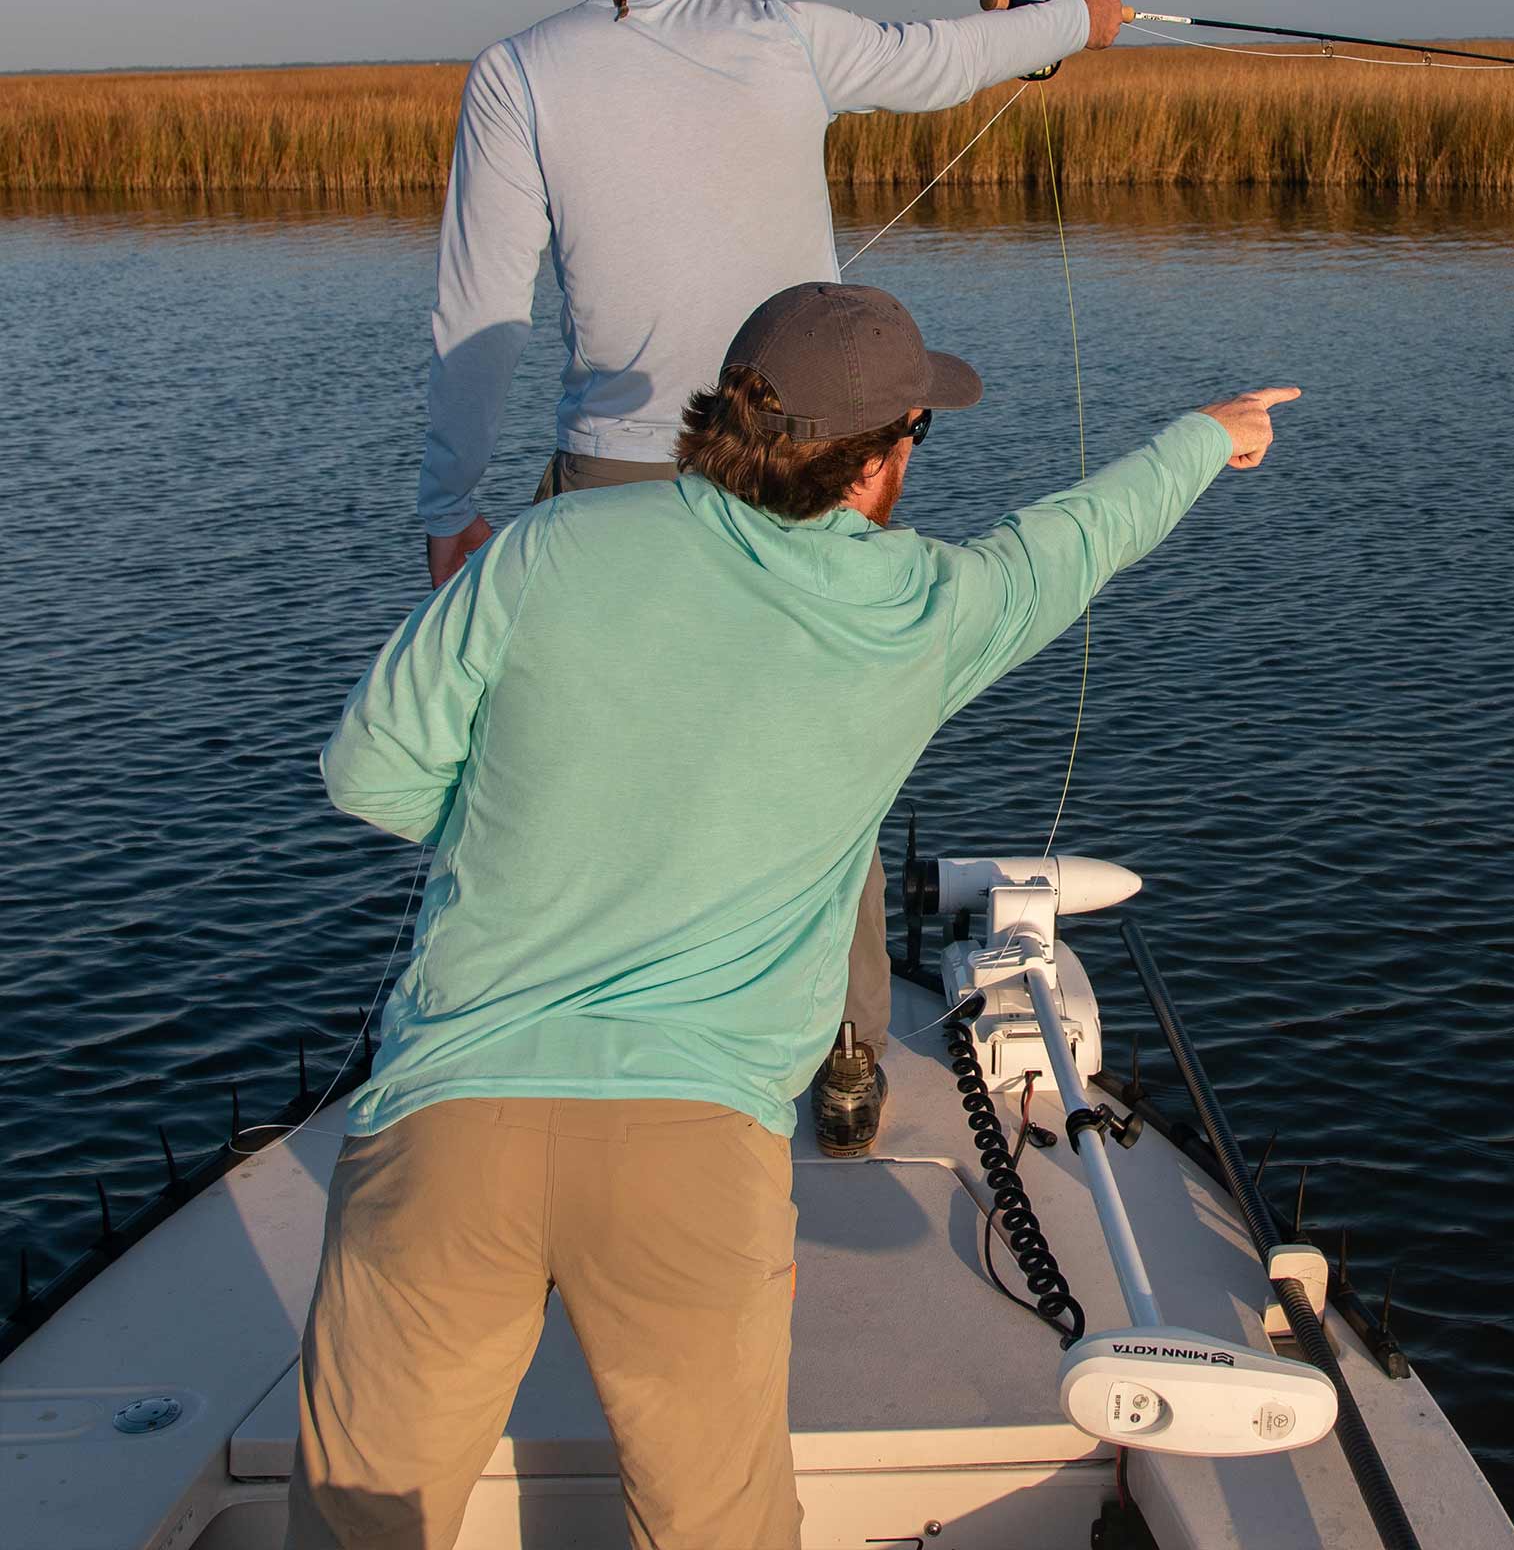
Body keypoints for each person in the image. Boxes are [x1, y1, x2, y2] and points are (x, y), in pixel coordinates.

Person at [293, 278, 1298, 1550]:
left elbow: (368, 774)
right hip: (691, 1153)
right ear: (877, 467)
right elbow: (1075, 538)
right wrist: (1209, 434)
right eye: (914, 437)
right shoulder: (922, 609)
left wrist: (549, 835)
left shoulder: (551, 546)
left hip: (443, 1126)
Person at [417, 0, 1127, 1118]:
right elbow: (938, 58)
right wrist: (1078, 22)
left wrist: (451, 506)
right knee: (824, 759)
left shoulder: (516, 73)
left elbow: (482, 316)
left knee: (592, 764)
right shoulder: (786, 39)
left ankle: (598, 1040)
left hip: (607, 485)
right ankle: (848, 1053)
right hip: (793, 473)